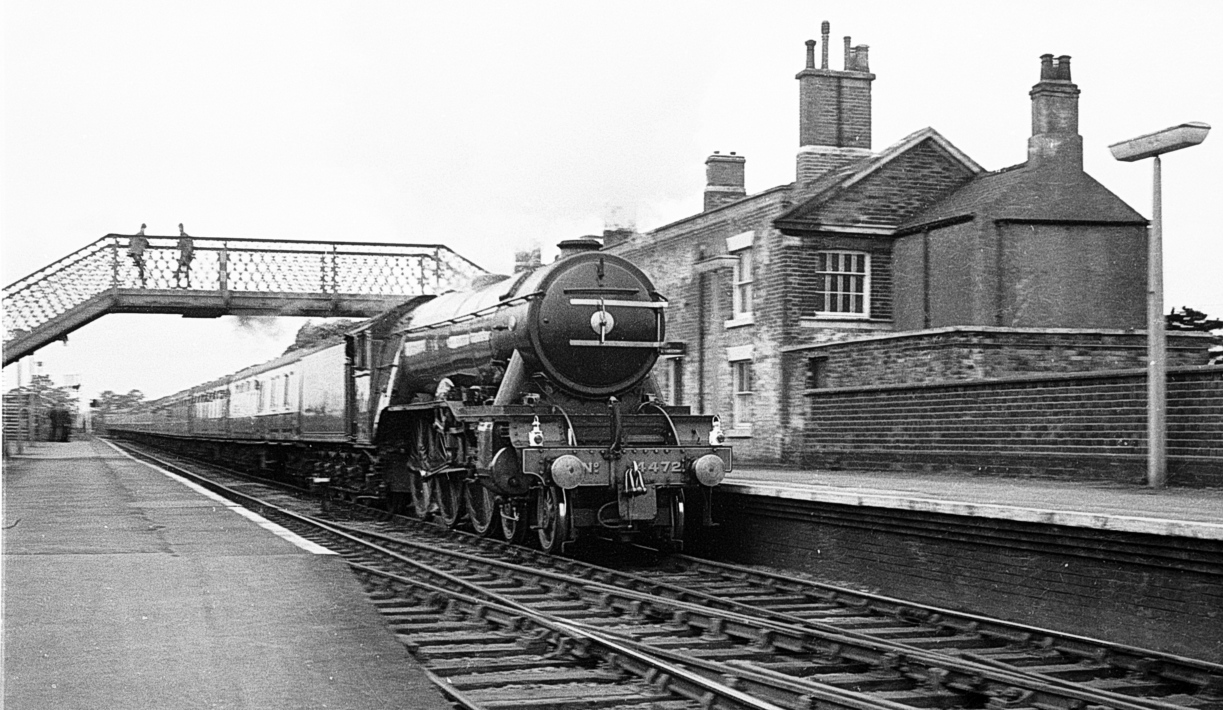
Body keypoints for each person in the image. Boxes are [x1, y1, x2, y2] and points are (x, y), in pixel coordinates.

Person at [174, 223, 194, 288]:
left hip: (184, 255)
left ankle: (179, 283)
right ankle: (186, 283)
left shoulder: (183, 235)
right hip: (185, 255)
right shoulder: (184, 235)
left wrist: (178, 246)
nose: (180, 229)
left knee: (180, 270)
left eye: (180, 227)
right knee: (185, 270)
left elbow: (182, 244)